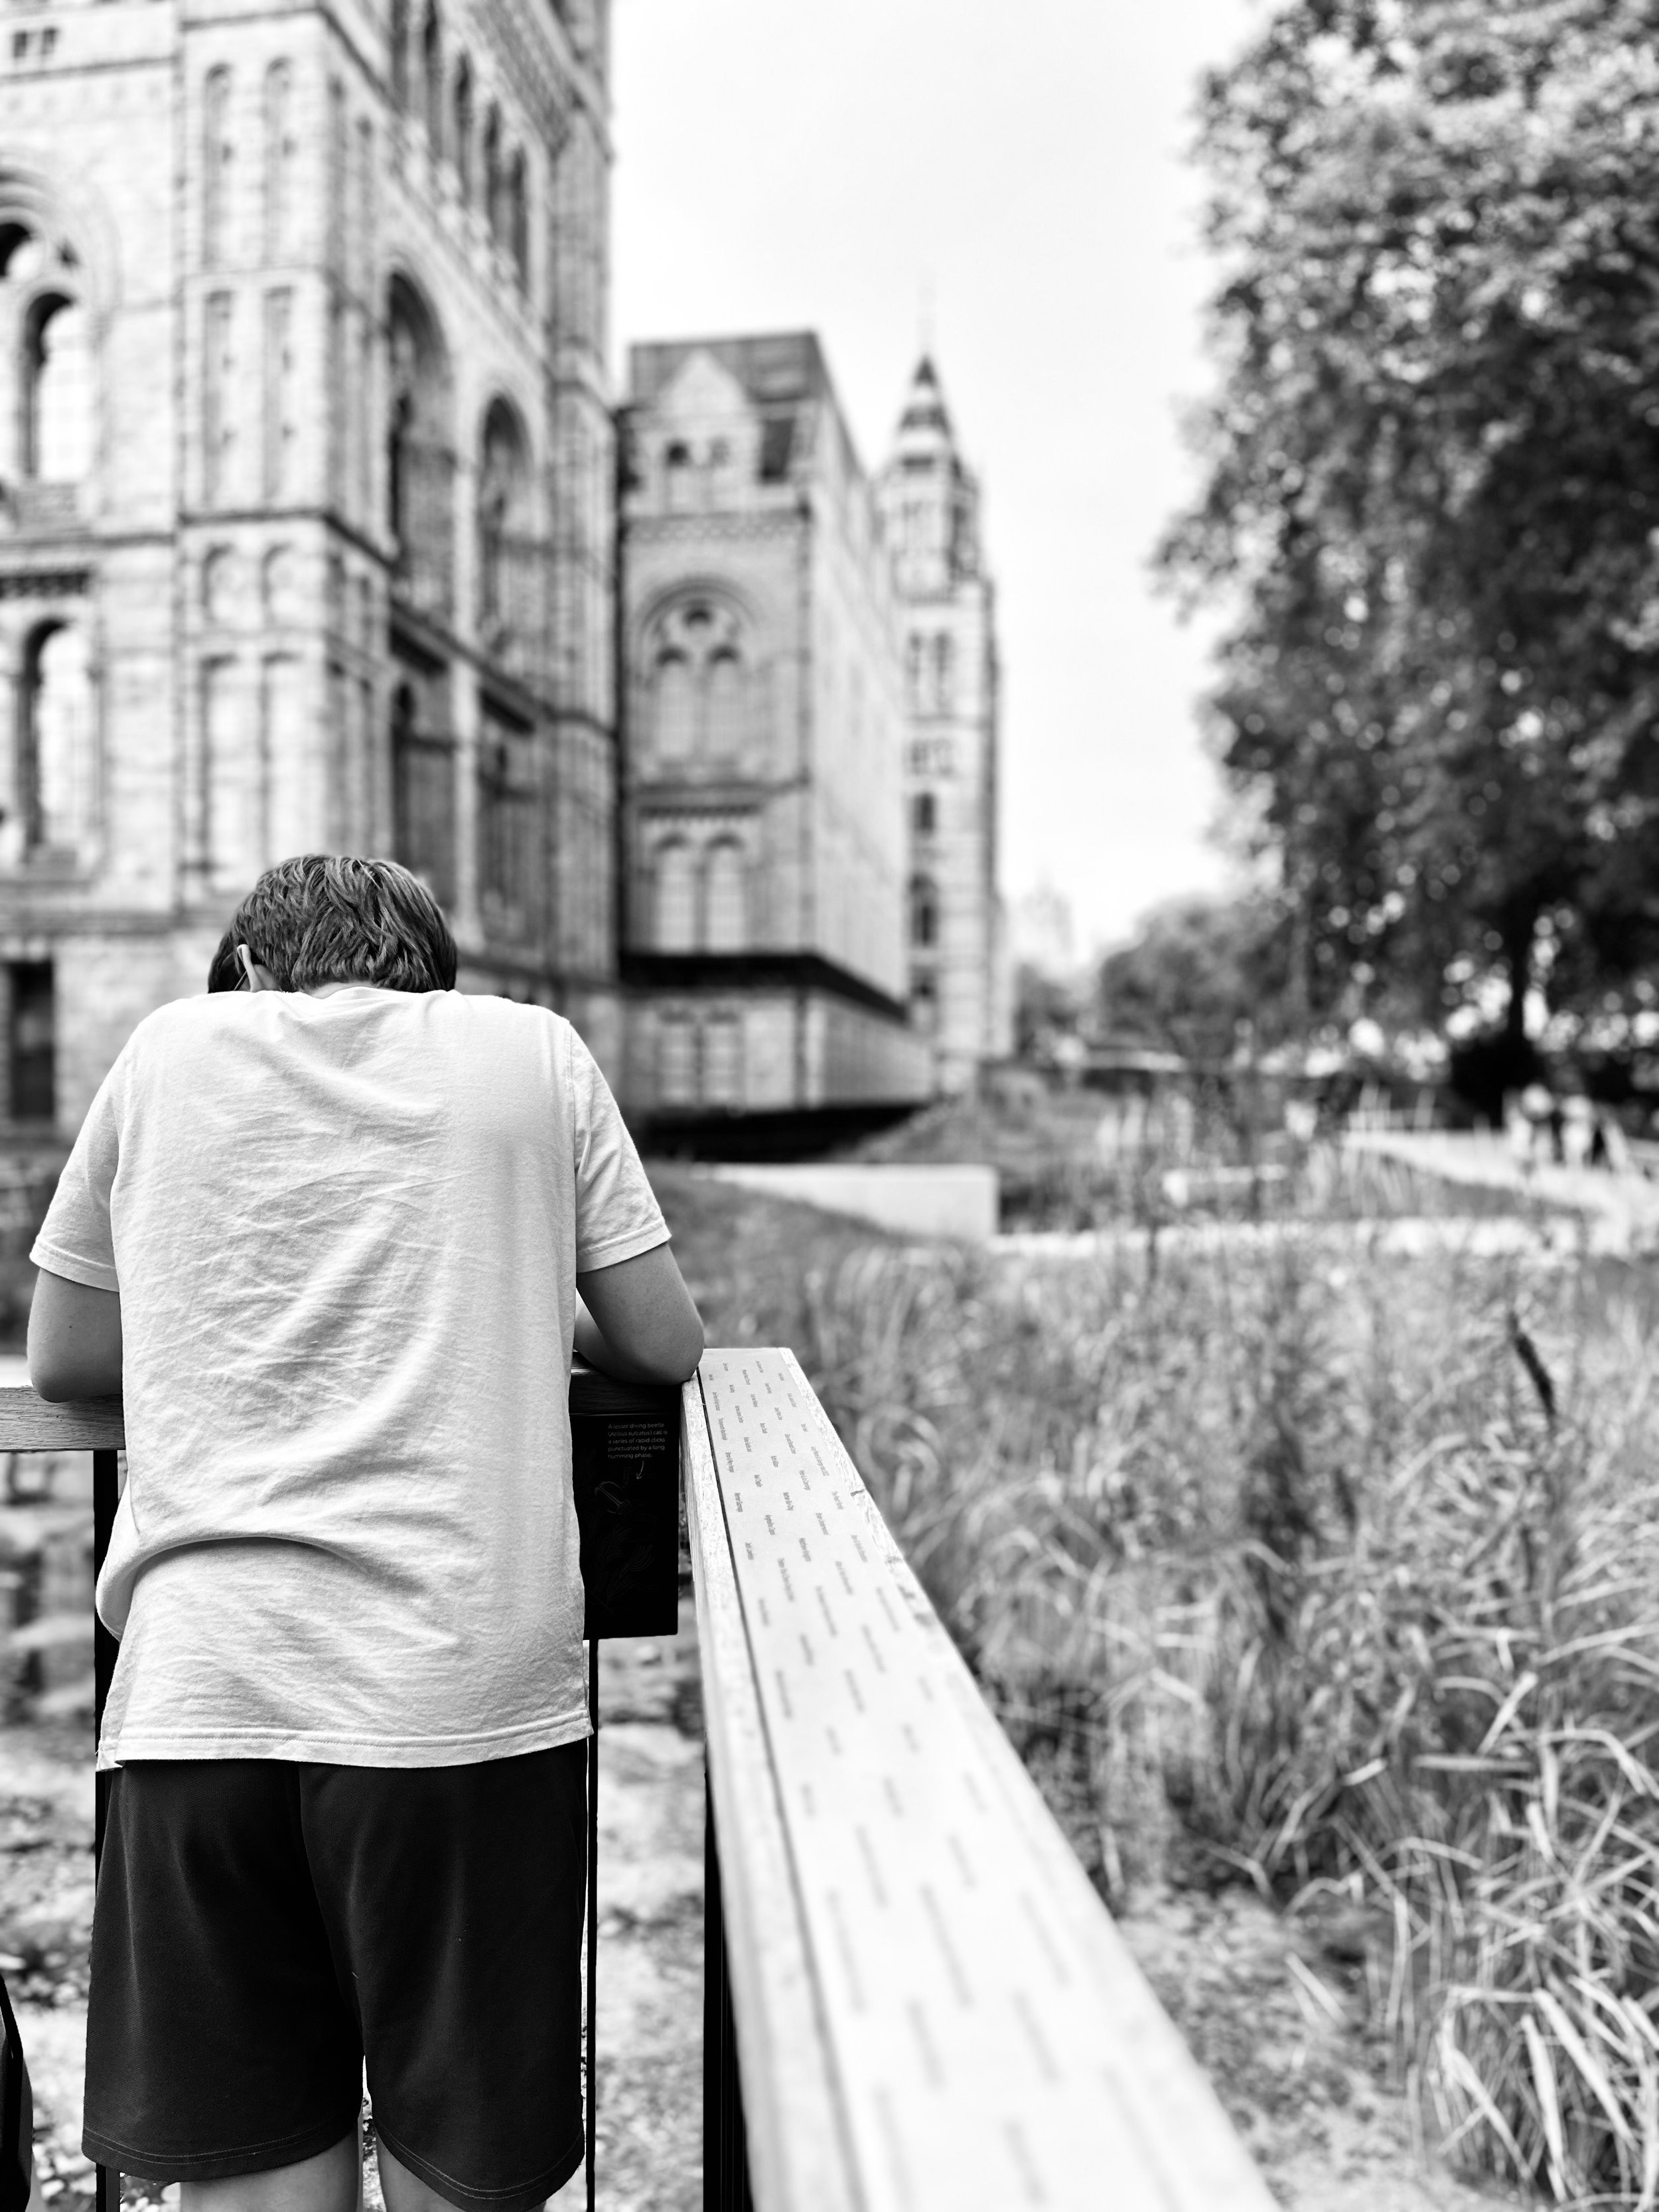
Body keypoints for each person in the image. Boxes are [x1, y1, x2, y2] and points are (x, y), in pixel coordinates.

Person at [27, 855, 703, 2212]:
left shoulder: (166, 1049)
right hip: (456, 1704)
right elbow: (660, 1339)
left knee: (255, 2174)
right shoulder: (531, 1051)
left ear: (253, 972)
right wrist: (512, 1303)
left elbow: (64, 1356)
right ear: (432, 978)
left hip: (200, 1694)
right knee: (465, 2168)